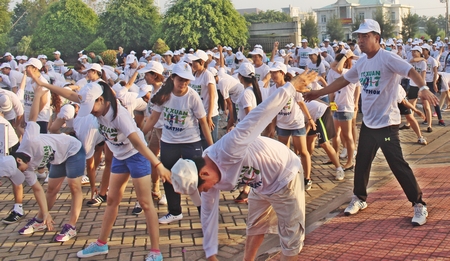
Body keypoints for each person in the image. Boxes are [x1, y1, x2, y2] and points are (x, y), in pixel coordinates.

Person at [161, 70, 318, 261]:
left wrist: (291, 86)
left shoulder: (228, 148)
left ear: (203, 173)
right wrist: (210, 255)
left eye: (202, 189)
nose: (205, 191)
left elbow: (259, 115)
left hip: (284, 174)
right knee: (255, 225)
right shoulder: (205, 180)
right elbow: (208, 217)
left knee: (290, 236)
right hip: (259, 183)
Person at [304, 19, 438, 226]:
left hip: (387, 124)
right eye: (359, 36)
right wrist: (318, 93)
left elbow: (410, 71)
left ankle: (419, 204)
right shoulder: (362, 63)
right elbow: (344, 80)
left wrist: (422, 88)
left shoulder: (387, 58)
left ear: (377, 38)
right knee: (362, 163)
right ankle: (359, 198)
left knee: (397, 165)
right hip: (369, 124)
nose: (361, 40)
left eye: (365, 36)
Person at [33, 79, 167, 261]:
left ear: (102, 100)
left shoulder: (119, 116)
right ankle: (101, 244)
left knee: (145, 203)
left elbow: (137, 141)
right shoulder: (92, 100)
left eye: (94, 109)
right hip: (120, 156)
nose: (93, 113)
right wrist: (42, 83)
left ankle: (155, 252)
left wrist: (158, 165)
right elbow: (71, 95)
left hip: (137, 155)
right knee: (111, 200)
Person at [142, 62, 213, 224]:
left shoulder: (192, 96)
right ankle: (174, 211)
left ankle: (204, 213)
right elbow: (153, 118)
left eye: (186, 81)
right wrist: (140, 134)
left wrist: (211, 146)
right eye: (180, 80)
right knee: (169, 176)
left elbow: (203, 122)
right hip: (169, 142)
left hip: (191, 141)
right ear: (173, 78)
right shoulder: (164, 94)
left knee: (197, 178)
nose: (183, 84)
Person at [15, 84, 85, 242]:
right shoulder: (25, 169)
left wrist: (38, 95)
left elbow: (32, 118)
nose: (22, 173)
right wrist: (45, 212)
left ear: (19, 160)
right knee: (51, 189)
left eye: (19, 169)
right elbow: (38, 190)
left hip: (72, 149)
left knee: (74, 186)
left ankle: (71, 226)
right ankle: (40, 220)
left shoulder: (29, 140)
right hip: (57, 157)